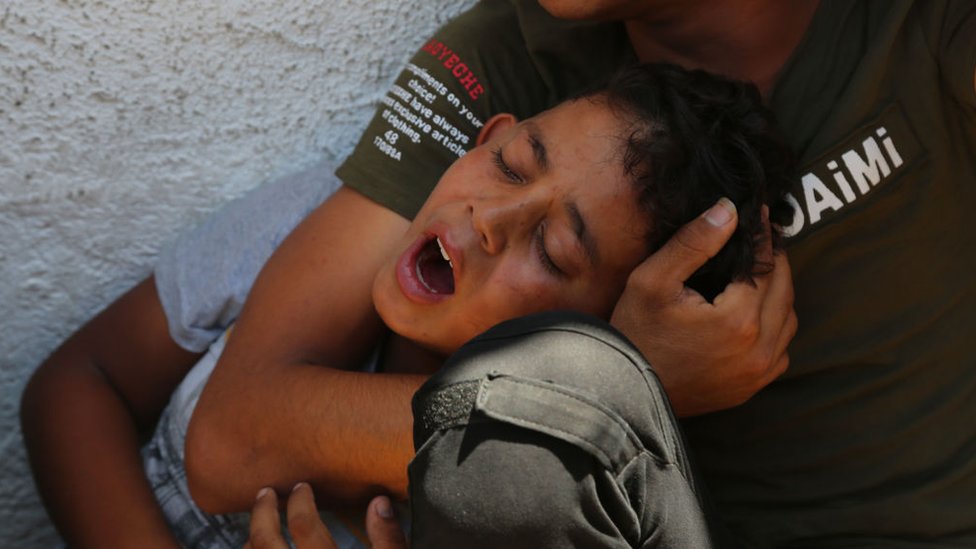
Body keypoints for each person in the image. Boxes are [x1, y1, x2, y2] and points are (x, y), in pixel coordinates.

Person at [22, 0, 976, 547]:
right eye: (511, 165)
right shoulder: (512, 60)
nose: (483, 219)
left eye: (554, 254)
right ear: (490, 137)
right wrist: (600, 399)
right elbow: (215, 430)